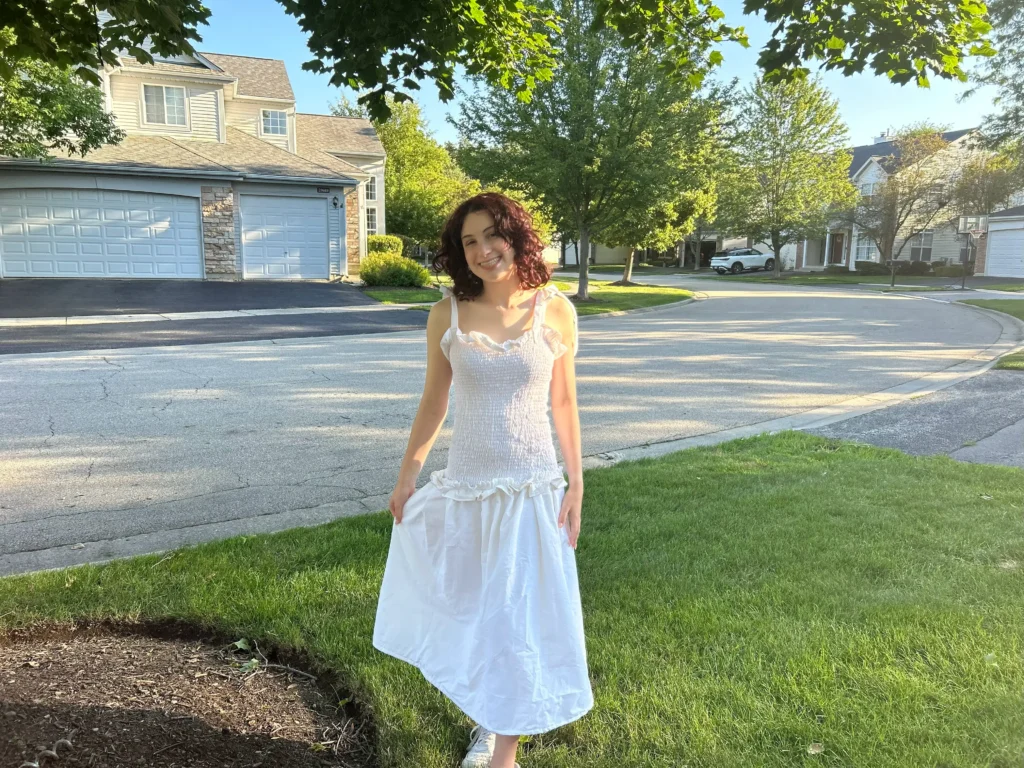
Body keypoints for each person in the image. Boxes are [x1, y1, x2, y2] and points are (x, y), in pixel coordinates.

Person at [372, 192, 593, 768]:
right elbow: (434, 401)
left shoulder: (554, 310)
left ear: (516, 236)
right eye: (469, 241)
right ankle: (489, 715)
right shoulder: (447, 312)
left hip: (531, 491)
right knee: (473, 613)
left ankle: (503, 756)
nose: (482, 250)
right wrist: (407, 478)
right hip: (466, 492)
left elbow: (564, 402)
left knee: (516, 617)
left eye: (493, 235)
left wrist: (576, 482)